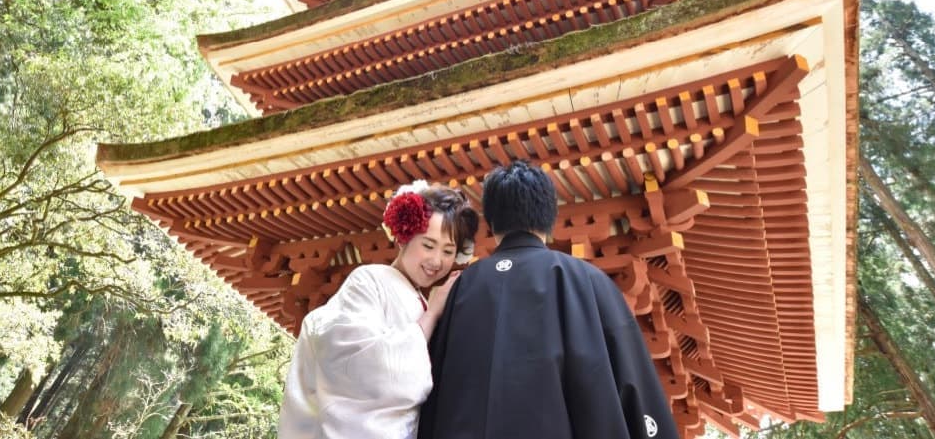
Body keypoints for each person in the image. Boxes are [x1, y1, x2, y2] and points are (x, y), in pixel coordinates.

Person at [418, 161, 679, 439]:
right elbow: (631, 381)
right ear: (548, 217)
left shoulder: (459, 288)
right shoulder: (589, 281)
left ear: (491, 223)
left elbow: (429, 387)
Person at [277, 181, 479, 439]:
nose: (437, 261)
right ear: (404, 236)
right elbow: (360, 367)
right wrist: (431, 316)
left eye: (448, 251)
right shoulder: (369, 281)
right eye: (428, 245)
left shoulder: (420, 298)